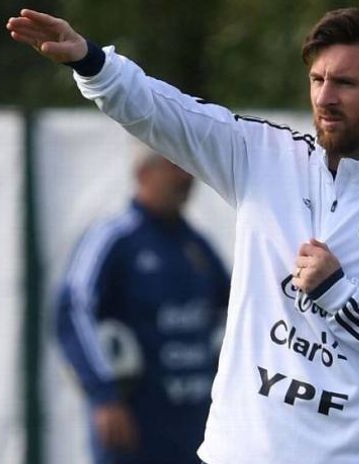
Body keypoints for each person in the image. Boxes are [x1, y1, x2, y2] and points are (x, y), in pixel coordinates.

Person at [8, 7, 359, 464]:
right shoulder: (264, 157)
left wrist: (340, 296)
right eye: (317, 80)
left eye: (345, 83)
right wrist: (90, 61)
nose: (325, 97)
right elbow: (165, 113)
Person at [56, 145, 231, 464]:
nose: (186, 177)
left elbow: (236, 313)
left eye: (189, 168)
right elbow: (73, 312)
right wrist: (104, 394)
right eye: (174, 166)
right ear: (143, 173)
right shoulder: (114, 238)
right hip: (133, 427)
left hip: (195, 428)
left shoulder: (197, 245)